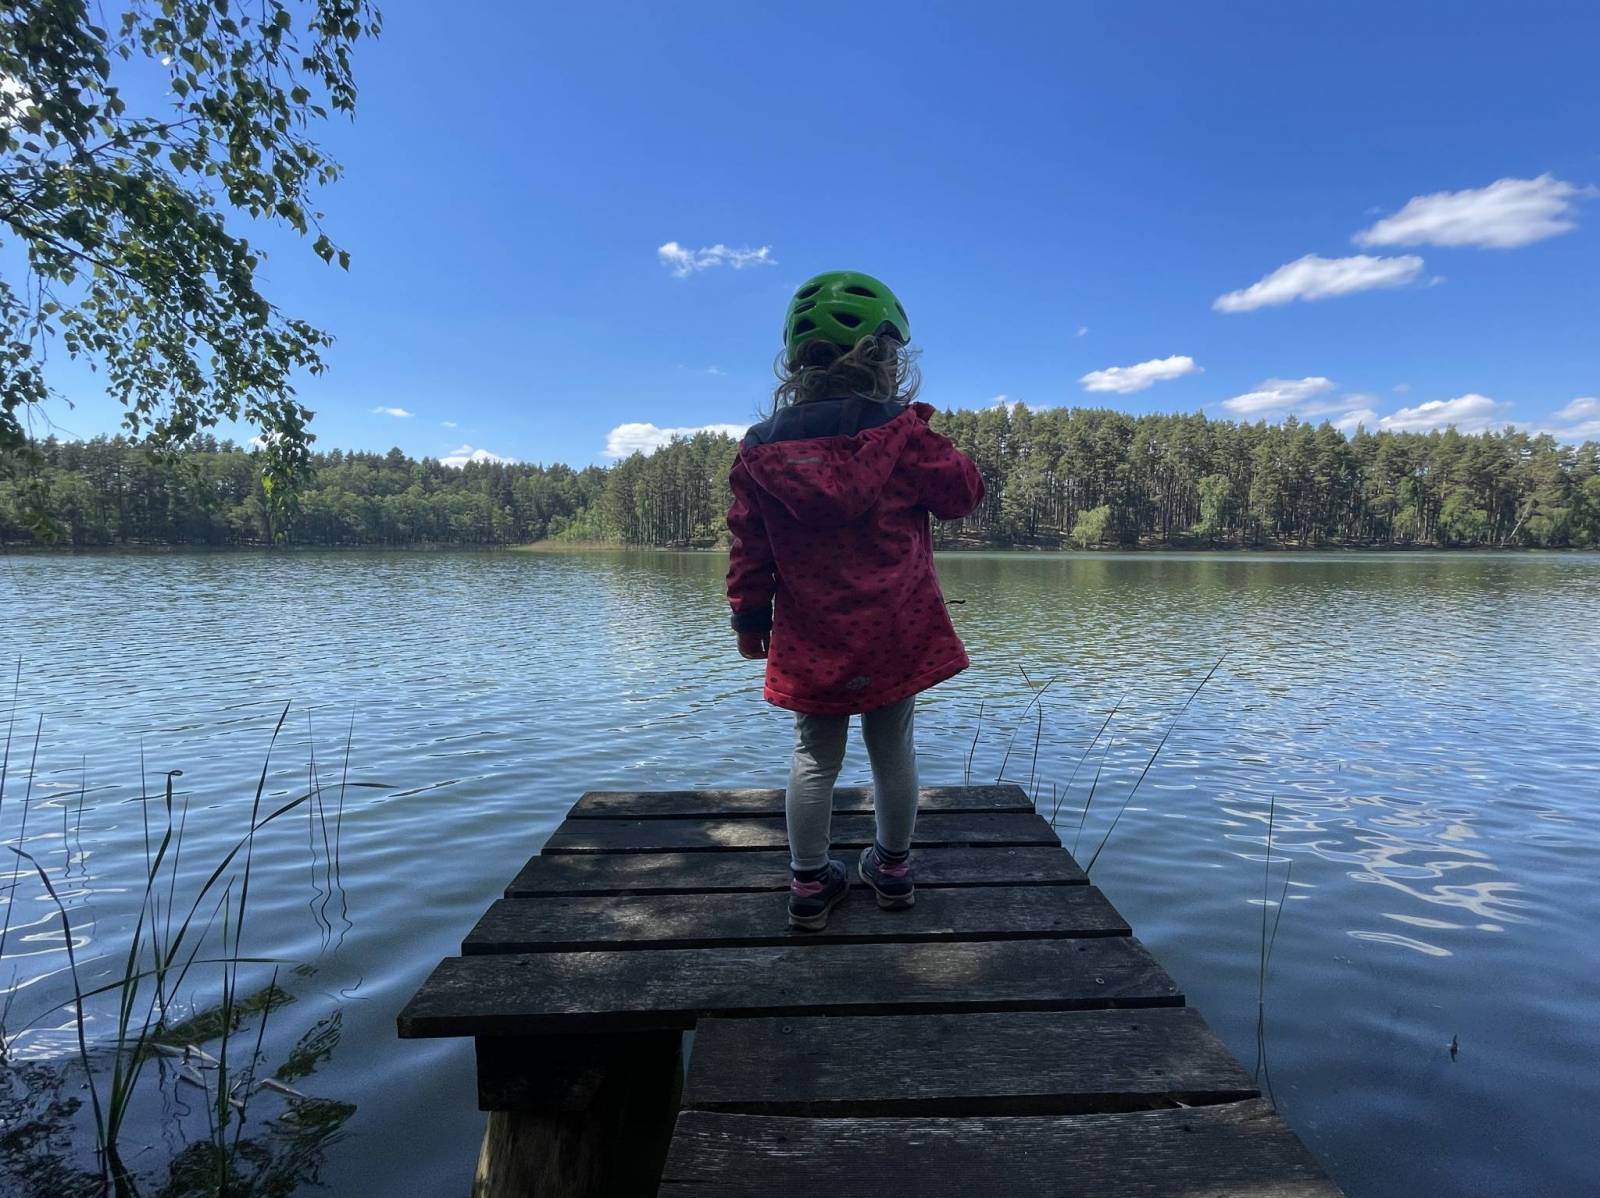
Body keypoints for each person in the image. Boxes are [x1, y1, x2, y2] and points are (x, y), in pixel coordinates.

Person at [724, 270, 984, 930]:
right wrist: (923, 431)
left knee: (815, 756)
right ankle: (892, 871)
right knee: (892, 750)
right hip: (898, 629)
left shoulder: (761, 451)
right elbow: (963, 495)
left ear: (796, 364)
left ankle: (809, 884)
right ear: (886, 359)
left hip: (811, 634)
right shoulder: (902, 435)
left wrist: (750, 617)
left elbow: (749, 545)